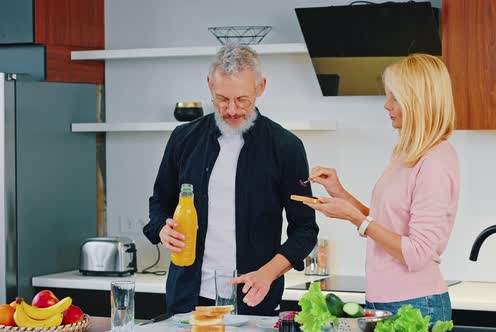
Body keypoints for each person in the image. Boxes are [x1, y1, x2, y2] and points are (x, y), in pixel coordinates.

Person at [143, 45, 319, 316]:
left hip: (253, 300)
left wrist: (267, 274)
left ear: (261, 87)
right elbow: (160, 203)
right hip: (187, 299)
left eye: (243, 99)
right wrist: (162, 230)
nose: (232, 109)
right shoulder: (183, 139)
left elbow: (305, 229)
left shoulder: (286, 147)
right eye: (222, 99)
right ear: (210, 85)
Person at [303, 54, 459, 323]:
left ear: (418, 102)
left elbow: (417, 253)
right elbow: (385, 224)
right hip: (383, 299)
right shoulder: (406, 154)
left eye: (395, 98)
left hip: (417, 304)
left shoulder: (435, 161)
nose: (387, 106)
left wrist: (355, 218)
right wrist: (340, 193)